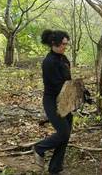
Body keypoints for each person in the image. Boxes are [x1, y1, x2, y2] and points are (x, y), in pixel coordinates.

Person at [33, 29, 72, 174]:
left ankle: (55, 168)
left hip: (66, 100)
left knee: (66, 135)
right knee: (63, 133)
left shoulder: (64, 58)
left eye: (66, 44)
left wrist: (81, 94)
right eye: (63, 44)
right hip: (52, 101)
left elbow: (68, 80)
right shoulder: (49, 62)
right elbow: (57, 86)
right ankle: (39, 148)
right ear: (54, 43)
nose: (65, 47)